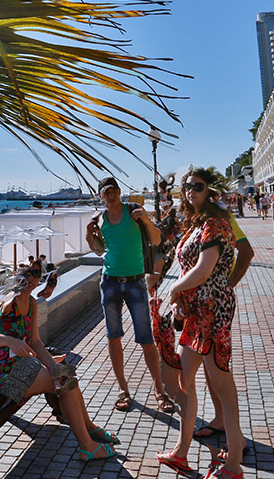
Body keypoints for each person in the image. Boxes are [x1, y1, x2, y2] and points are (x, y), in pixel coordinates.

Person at [159, 168, 253, 479]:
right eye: (186, 187)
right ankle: (181, 453)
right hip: (198, 313)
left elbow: (204, 268)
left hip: (211, 312)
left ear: (210, 190)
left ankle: (234, 464)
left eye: (197, 187)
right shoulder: (197, 222)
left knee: (222, 385)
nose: (190, 191)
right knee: (180, 383)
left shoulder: (215, 223)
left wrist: (174, 289)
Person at [0, 264, 115, 462]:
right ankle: (87, 446)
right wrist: (9, 341)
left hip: (19, 365)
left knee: (65, 375)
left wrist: (53, 366)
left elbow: (35, 342)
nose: (30, 277)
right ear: (16, 275)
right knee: (64, 383)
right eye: (25, 272)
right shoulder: (9, 301)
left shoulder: (32, 303)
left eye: (35, 273)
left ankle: (90, 429)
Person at [86, 176, 171, 413]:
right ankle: (123, 389)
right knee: (113, 337)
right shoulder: (99, 218)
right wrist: (89, 236)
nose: (110, 195)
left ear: (119, 191)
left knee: (146, 339)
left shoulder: (134, 212)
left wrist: (145, 219)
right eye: (106, 192)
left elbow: (156, 239)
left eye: (113, 191)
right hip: (110, 282)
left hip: (135, 283)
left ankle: (159, 390)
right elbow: (100, 249)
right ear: (100, 195)